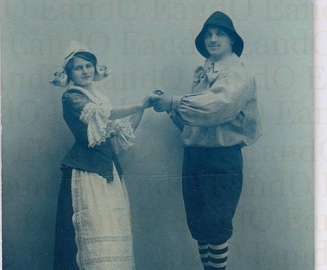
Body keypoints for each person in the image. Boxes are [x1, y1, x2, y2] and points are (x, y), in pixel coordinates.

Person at [150, 11, 262, 270]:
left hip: (221, 158)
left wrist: (175, 101)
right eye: (208, 35)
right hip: (194, 155)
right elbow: (195, 120)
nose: (213, 39)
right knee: (199, 224)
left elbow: (217, 106)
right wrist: (169, 107)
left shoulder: (238, 74)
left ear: (233, 40)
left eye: (220, 34)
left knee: (216, 224)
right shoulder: (203, 72)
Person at [50, 41, 150, 270]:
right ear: (69, 73)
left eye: (88, 66)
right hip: (85, 173)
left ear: (95, 69)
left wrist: (143, 108)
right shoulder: (72, 97)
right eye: (78, 67)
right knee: (88, 232)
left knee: (110, 230)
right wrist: (137, 105)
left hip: (108, 173)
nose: (85, 71)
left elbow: (118, 138)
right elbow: (106, 116)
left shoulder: (99, 97)